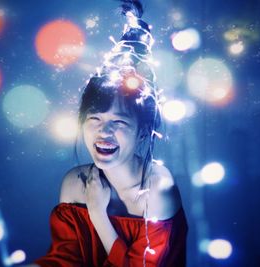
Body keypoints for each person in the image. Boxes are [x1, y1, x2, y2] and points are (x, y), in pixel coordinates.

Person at [34, 1, 187, 266]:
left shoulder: (158, 190)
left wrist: (98, 215)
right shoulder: (74, 183)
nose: (104, 130)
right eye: (95, 118)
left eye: (119, 121)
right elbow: (65, 260)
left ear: (142, 133)